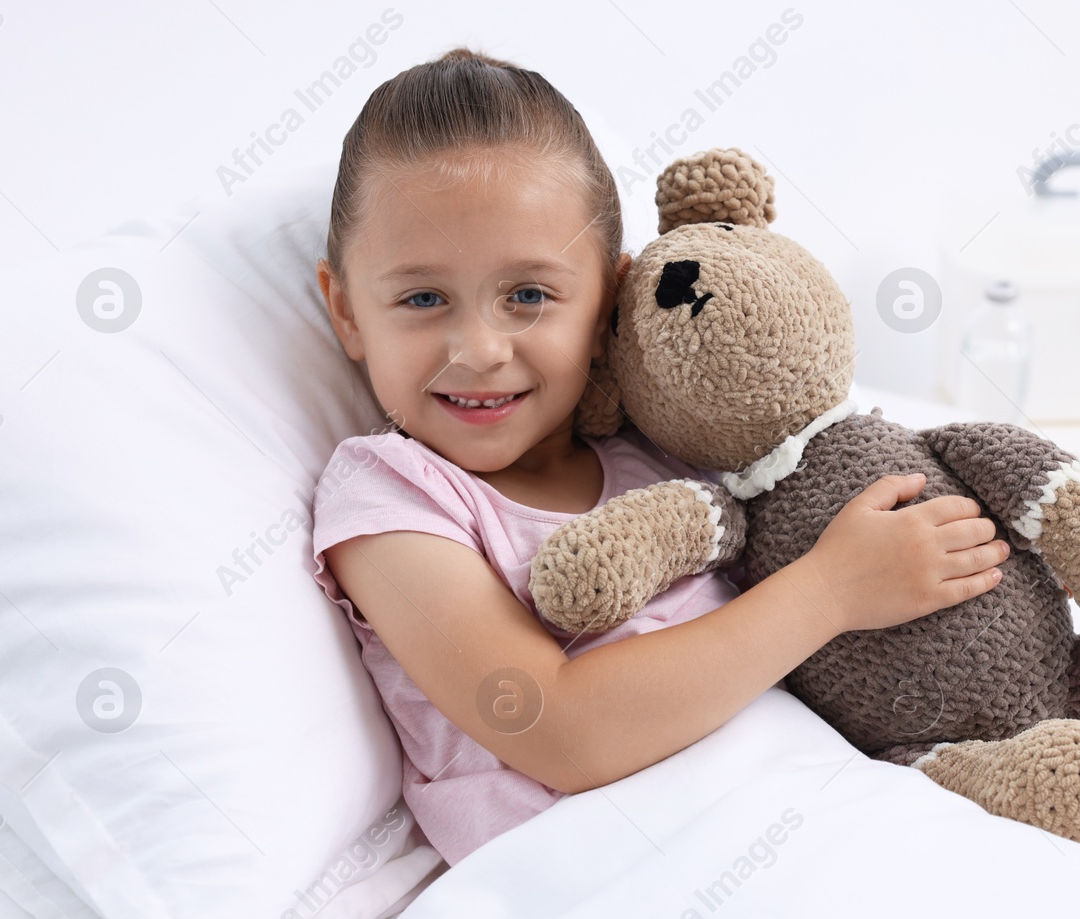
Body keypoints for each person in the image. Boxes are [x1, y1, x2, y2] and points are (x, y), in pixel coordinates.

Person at [309, 47, 1008, 869]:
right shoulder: (395, 498)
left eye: (528, 295)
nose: (480, 348)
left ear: (610, 297)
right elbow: (560, 728)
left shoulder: (659, 447)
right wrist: (830, 589)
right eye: (423, 299)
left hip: (814, 814)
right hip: (615, 873)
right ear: (347, 310)